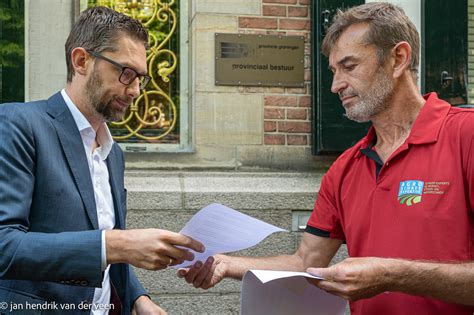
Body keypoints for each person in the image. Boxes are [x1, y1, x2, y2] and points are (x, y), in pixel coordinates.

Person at [177, 2, 474, 314]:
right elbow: (306, 261)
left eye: (349, 66)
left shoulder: (465, 136)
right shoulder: (344, 169)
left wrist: (392, 275)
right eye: (334, 71)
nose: (336, 85)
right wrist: (228, 263)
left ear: (398, 59)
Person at [0, 6, 204, 315]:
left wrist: (138, 299)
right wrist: (119, 245)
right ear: (81, 61)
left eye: (141, 78)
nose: (135, 90)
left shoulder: (114, 153)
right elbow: (5, 245)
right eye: (125, 73)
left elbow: (104, 247)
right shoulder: (18, 124)